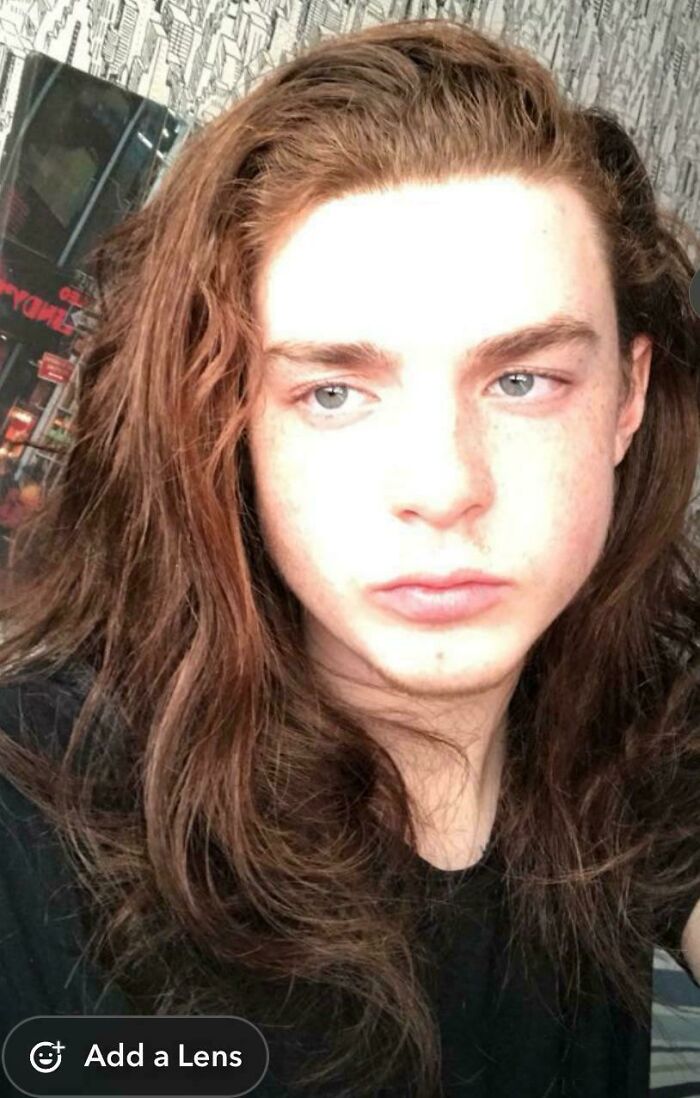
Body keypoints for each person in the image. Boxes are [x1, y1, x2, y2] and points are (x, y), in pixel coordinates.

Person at [0, 17, 698, 1098]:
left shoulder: (629, 725)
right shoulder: (39, 822)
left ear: (628, 396)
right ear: (231, 421)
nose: (443, 486)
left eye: (522, 382)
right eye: (332, 392)